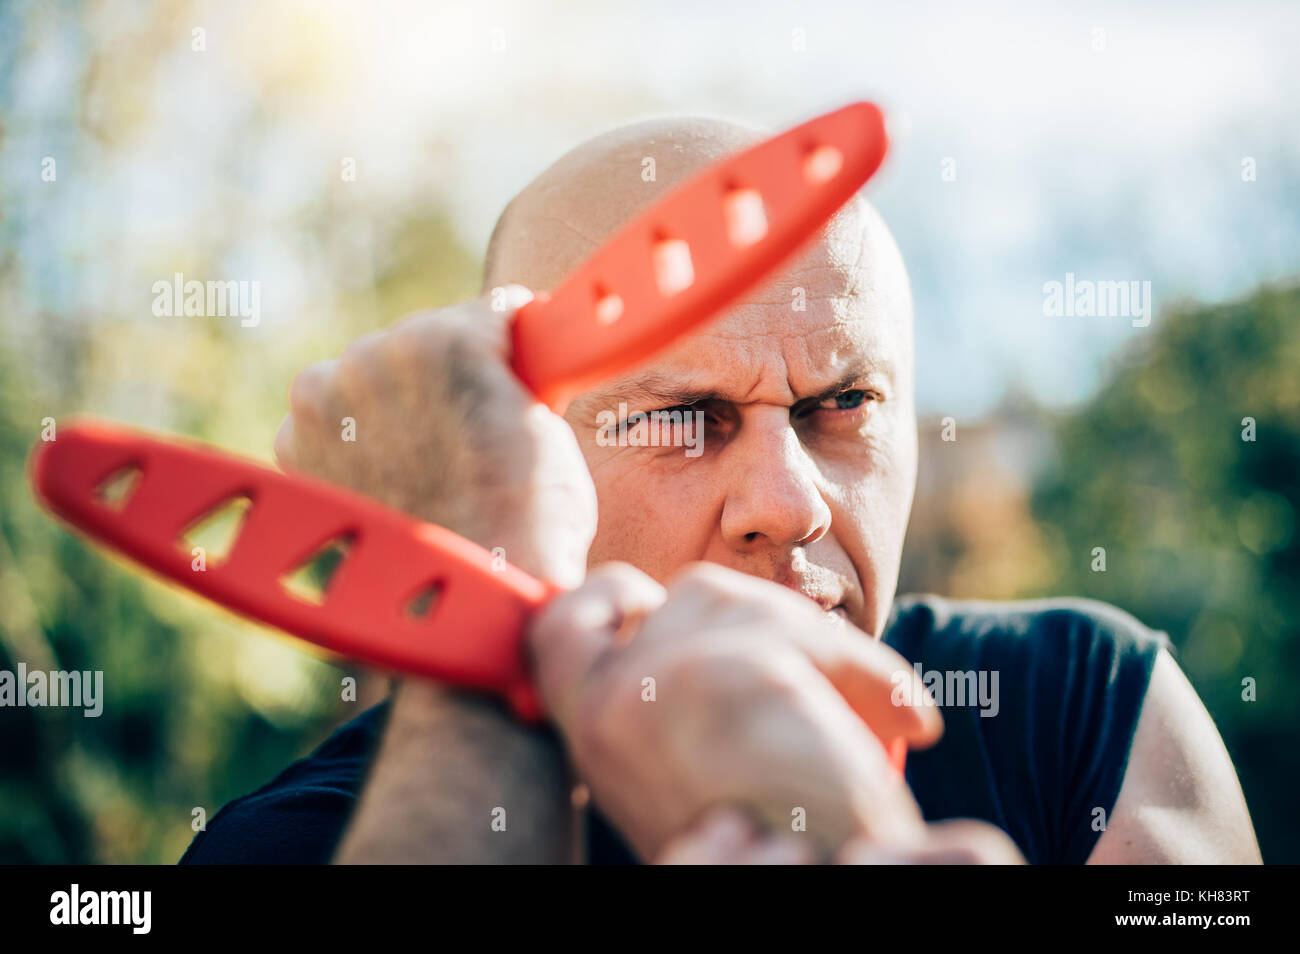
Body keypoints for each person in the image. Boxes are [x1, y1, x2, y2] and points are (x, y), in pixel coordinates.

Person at [180, 117, 1260, 865]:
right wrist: (486, 606)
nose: (788, 506)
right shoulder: (298, 843)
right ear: (521, 468)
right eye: (678, 419)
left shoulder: (1076, 705)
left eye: (842, 404)